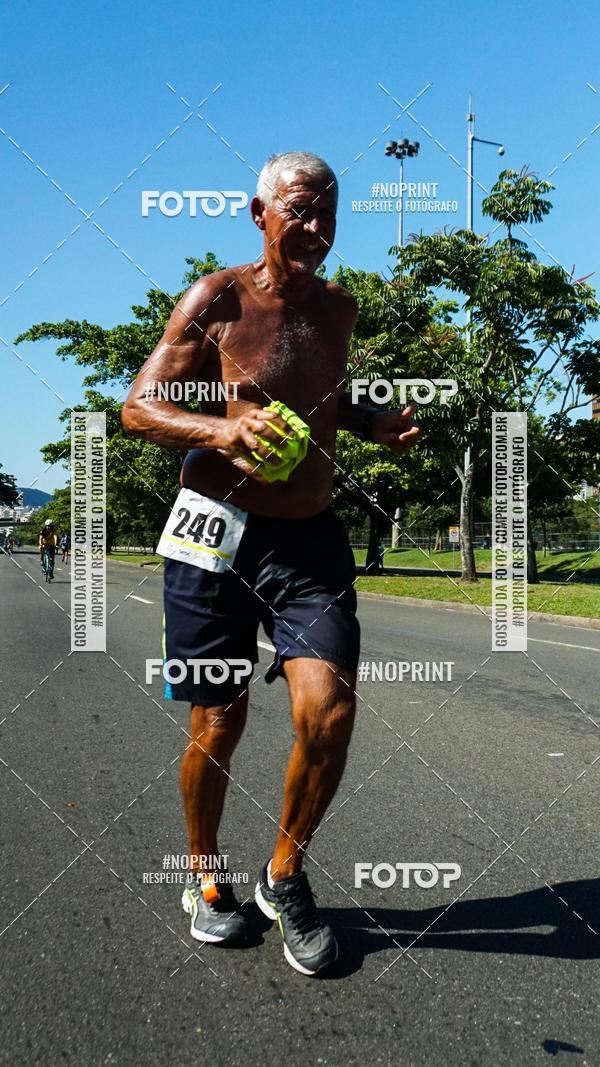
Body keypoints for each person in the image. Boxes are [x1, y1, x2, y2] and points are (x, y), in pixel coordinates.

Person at [122, 151, 421, 976]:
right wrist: (221, 430)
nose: (319, 229)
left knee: (327, 711)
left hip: (308, 539)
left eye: (331, 214)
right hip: (213, 533)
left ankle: (283, 875)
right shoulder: (217, 298)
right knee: (217, 722)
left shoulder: (340, 308)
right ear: (260, 212)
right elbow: (138, 407)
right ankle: (202, 872)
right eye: (302, 211)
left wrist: (371, 422)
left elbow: (324, 389)